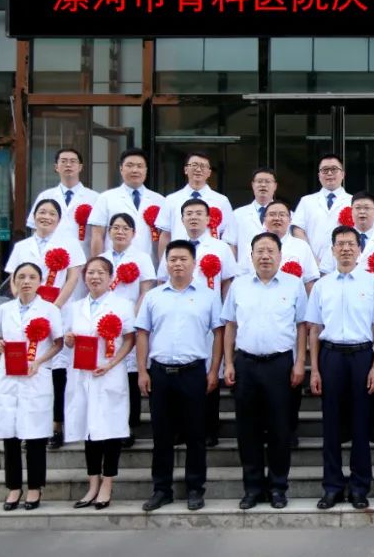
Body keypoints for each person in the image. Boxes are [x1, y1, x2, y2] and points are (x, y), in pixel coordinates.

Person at [134, 240, 224, 512]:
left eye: (183, 259)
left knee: (196, 434)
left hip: (193, 372)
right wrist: (142, 371)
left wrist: (214, 370)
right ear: (166, 263)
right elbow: (142, 333)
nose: (178, 264)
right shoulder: (153, 296)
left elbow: (219, 334)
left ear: (194, 263)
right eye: (173, 259)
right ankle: (162, 489)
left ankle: (195, 488)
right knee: (161, 435)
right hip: (160, 373)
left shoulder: (209, 296)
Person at [221, 232, 308, 511]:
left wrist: (299, 362)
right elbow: (230, 325)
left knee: (280, 430)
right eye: (260, 251)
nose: (265, 256)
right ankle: (253, 488)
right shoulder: (239, 285)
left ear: (280, 256)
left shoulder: (294, 285)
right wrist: (229, 363)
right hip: (246, 364)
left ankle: (278, 487)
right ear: (251, 256)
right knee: (248, 430)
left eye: (271, 251)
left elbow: (302, 327)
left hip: (280, 365)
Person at [307, 226, 374, 510]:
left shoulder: (372, 284)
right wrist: (315, 369)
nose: (345, 249)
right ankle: (332, 486)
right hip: (330, 356)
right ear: (332, 250)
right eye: (340, 244)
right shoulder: (322, 286)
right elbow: (314, 328)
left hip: (361, 357)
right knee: (331, 426)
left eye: (350, 244)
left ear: (359, 249)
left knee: (360, 425)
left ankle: (359, 487)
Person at [155, 198, 237, 448]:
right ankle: (179, 429)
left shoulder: (220, 247)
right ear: (181, 219)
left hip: (210, 316)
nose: (193, 217)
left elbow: (228, 282)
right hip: (178, 316)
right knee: (181, 370)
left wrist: (227, 315)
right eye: (188, 213)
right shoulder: (175, 247)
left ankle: (209, 427)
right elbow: (162, 281)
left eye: (199, 213)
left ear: (209, 219)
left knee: (210, 370)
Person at [5, 199, 85, 450]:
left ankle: (56, 426)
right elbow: (14, 280)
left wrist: (53, 308)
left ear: (59, 220)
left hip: (60, 312)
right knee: (29, 370)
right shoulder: (22, 247)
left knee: (58, 372)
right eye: (41, 212)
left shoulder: (69, 243)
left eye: (52, 213)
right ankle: (28, 428)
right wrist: (26, 304)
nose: (46, 217)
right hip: (27, 314)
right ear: (33, 216)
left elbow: (73, 278)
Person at [0, 262, 65, 511]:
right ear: (14, 282)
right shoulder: (4, 309)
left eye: (32, 277)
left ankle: (34, 487)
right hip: (8, 376)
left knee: (35, 436)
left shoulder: (50, 310)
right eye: (21, 277)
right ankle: (13, 487)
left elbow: (59, 343)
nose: (26, 281)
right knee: (10, 435)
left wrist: (39, 361)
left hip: (35, 376)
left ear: (40, 282)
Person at [62, 257, 136, 510]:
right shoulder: (75, 307)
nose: (95, 277)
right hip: (82, 375)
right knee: (89, 431)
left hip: (109, 374)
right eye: (90, 272)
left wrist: (111, 364)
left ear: (110, 277)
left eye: (101, 272)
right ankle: (92, 484)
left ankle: (107, 484)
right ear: (84, 277)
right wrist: (69, 340)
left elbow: (130, 339)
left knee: (111, 430)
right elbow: (68, 339)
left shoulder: (123, 305)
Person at [99, 213, 156, 449]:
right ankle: (106, 424)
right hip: (103, 325)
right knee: (106, 373)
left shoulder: (142, 258)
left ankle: (128, 426)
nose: (120, 232)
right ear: (109, 232)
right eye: (115, 227)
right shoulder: (101, 259)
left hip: (130, 323)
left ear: (133, 233)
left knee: (130, 376)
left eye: (125, 228)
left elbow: (146, 290)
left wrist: (132, 317)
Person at [87, 148, 165, 261]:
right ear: (121, 169)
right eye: (130, 165)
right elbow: (97, 235)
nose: (135, 170)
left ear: (146, 170)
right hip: (114, 264)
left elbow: (164, 237)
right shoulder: (106, 198)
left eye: (139, 166)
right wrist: (97, 265)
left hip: (149, 263)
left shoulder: (159, 200)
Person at [156, 151, 234, 258]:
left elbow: (229, 238)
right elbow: (165, 236)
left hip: (210, 259)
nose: (198, 169)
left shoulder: (222, 201)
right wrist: (164, 264)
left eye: (203, 166)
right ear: (185, 169)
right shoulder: (171, 200)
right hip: (179, 259)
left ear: (209, 172)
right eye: (194, 165)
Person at [26, 148, 98, 257]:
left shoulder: (95, 198)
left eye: (73, 161)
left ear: (80, 167)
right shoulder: (45, 196)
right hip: (50, 257)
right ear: (56, 167)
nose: (68, 165)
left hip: (83, 256)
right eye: (63, 161)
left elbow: (99, 234)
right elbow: (35, 229)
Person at [292, 153, 353, 264]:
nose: (329, 173)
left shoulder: (353, 202)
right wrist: (312, 259)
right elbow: (298, 231)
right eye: (325, 170)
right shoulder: (306, 201)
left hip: (345, 263)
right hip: (312, 263)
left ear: (343, 174)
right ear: (319, 175)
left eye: (334, 169)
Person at [260, 199, 321, 294]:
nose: (277, 218)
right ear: (264, 219)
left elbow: (309, 282)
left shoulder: (302, 246)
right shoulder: (253, 246)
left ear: (290, 220)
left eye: (282, 215)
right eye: (272, 214)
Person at [224, 168, 278, 271]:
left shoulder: (286, 215)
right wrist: (233, 271)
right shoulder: (237, 214)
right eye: (259, 181)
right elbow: (231, 245)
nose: (263, 185)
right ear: (252, 185)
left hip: (275, 272)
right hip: (244, 273)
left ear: (275, 186)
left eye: (267, 181)